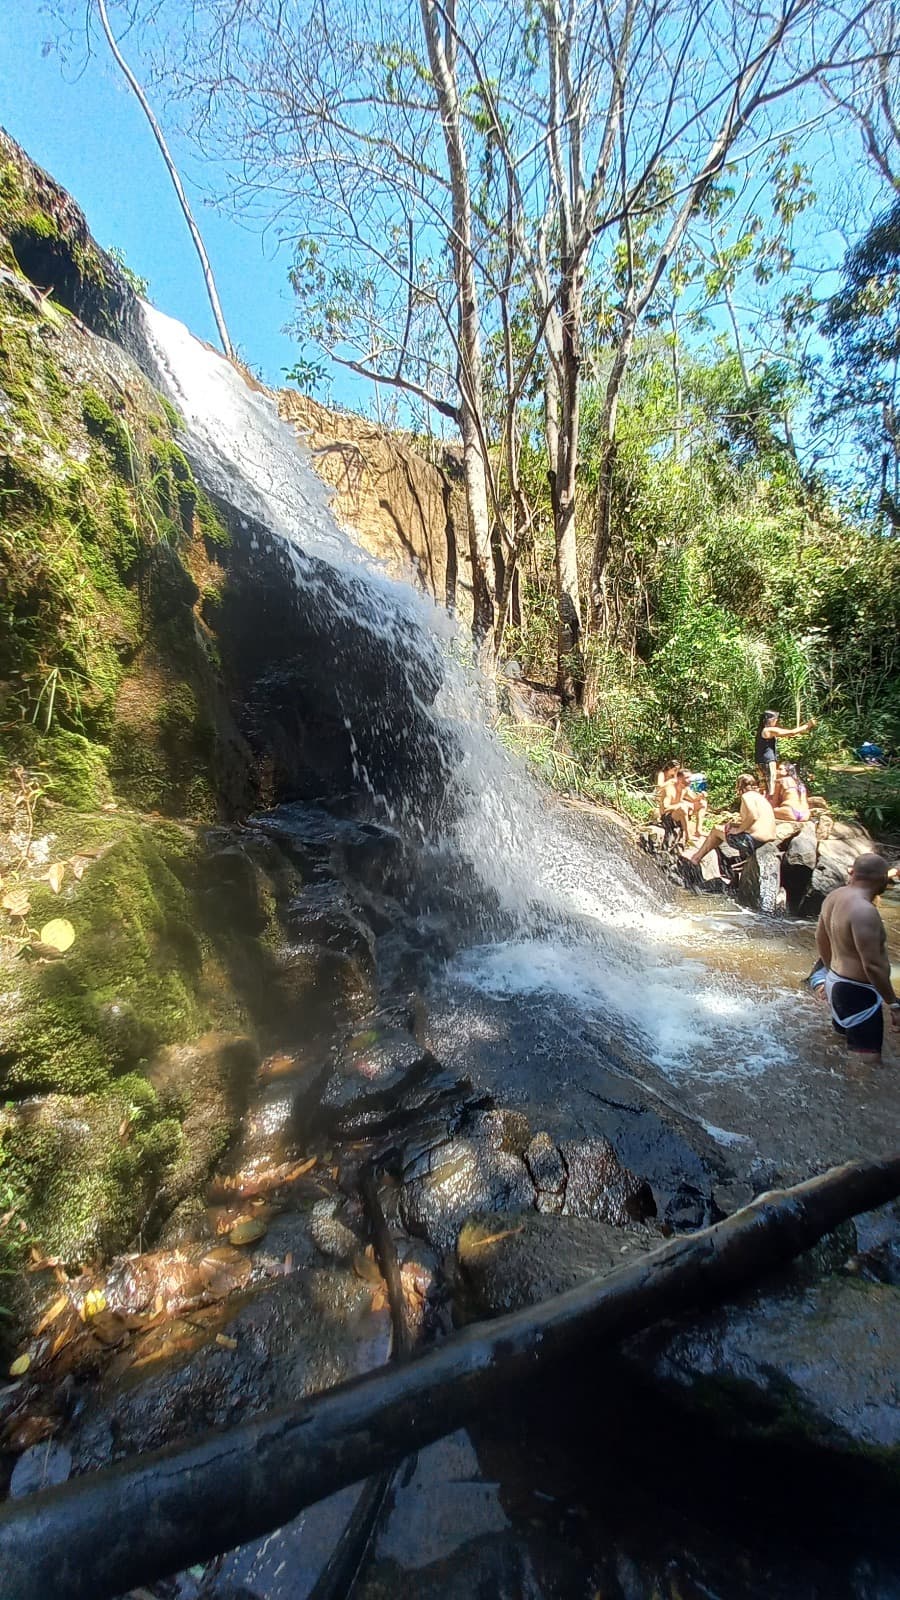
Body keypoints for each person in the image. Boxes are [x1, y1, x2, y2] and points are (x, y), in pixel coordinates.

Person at [815, 852, 900, 1059]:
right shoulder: (865, 911)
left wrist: (828, 975)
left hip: (836, 983)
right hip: (858, 992)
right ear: (882, 880)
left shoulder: (835, 896)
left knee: (841, 1049)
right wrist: (894, 1003)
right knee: (866, 1066)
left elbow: (820, 938)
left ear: (853, 873)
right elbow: (873, 965)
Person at [688, 774, 776, 868]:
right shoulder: (760, 798)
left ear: (740, 786)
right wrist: (735, 825)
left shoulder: (747, 796)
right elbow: (756, 821)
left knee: (716, 830)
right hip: (768, 839)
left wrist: (739, 830)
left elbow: (753, 816)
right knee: (727, 827)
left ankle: (696, 859)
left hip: (753, 841)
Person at [755, 710, 816, 796]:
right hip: (767, 762)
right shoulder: (768, 730)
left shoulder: (761, 730)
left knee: (764, 788)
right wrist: (807, 725)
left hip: (759, 762)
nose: (776, 721)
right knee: (771, 787)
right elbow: (792, 733)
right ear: (770, 720)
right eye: (775, 719)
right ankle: (772, 806)